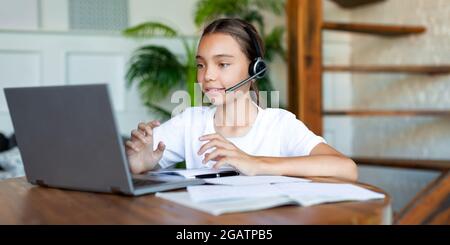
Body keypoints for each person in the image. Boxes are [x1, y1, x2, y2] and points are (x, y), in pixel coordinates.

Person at [125, 18, 357, 181]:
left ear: (255, 69)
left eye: (223, 64)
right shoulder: (190, 122)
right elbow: (130, 165)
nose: (208, 76)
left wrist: (256, 163)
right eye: (201, 65)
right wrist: (138, 163)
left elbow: (346, 168)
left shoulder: (279, 124)